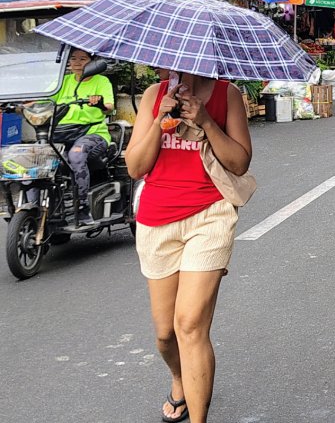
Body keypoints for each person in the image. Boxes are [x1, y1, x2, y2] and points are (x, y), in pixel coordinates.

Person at [126, 70, 252, 423]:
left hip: (210, 215)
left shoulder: (227, 95)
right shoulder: (154, 95)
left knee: (190, 325)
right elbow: (136, 167)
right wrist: (159, 120)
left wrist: (206, 120)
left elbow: (240, 162)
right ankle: (179, 377)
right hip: (157, 221)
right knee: (166, 335)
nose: (173, 68)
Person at [49, 48, 115, 226]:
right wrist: (21, 102)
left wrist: (99, 102)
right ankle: (39, 208)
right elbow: (43, 99)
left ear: (92, 63)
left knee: (76, 155)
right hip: (62, 133)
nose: (77, 62)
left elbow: (109, 106)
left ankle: (82, 207)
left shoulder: (101, 81)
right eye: (73, 59)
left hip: (92, 134)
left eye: (82, 58)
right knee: (39, 158)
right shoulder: (63, 82)